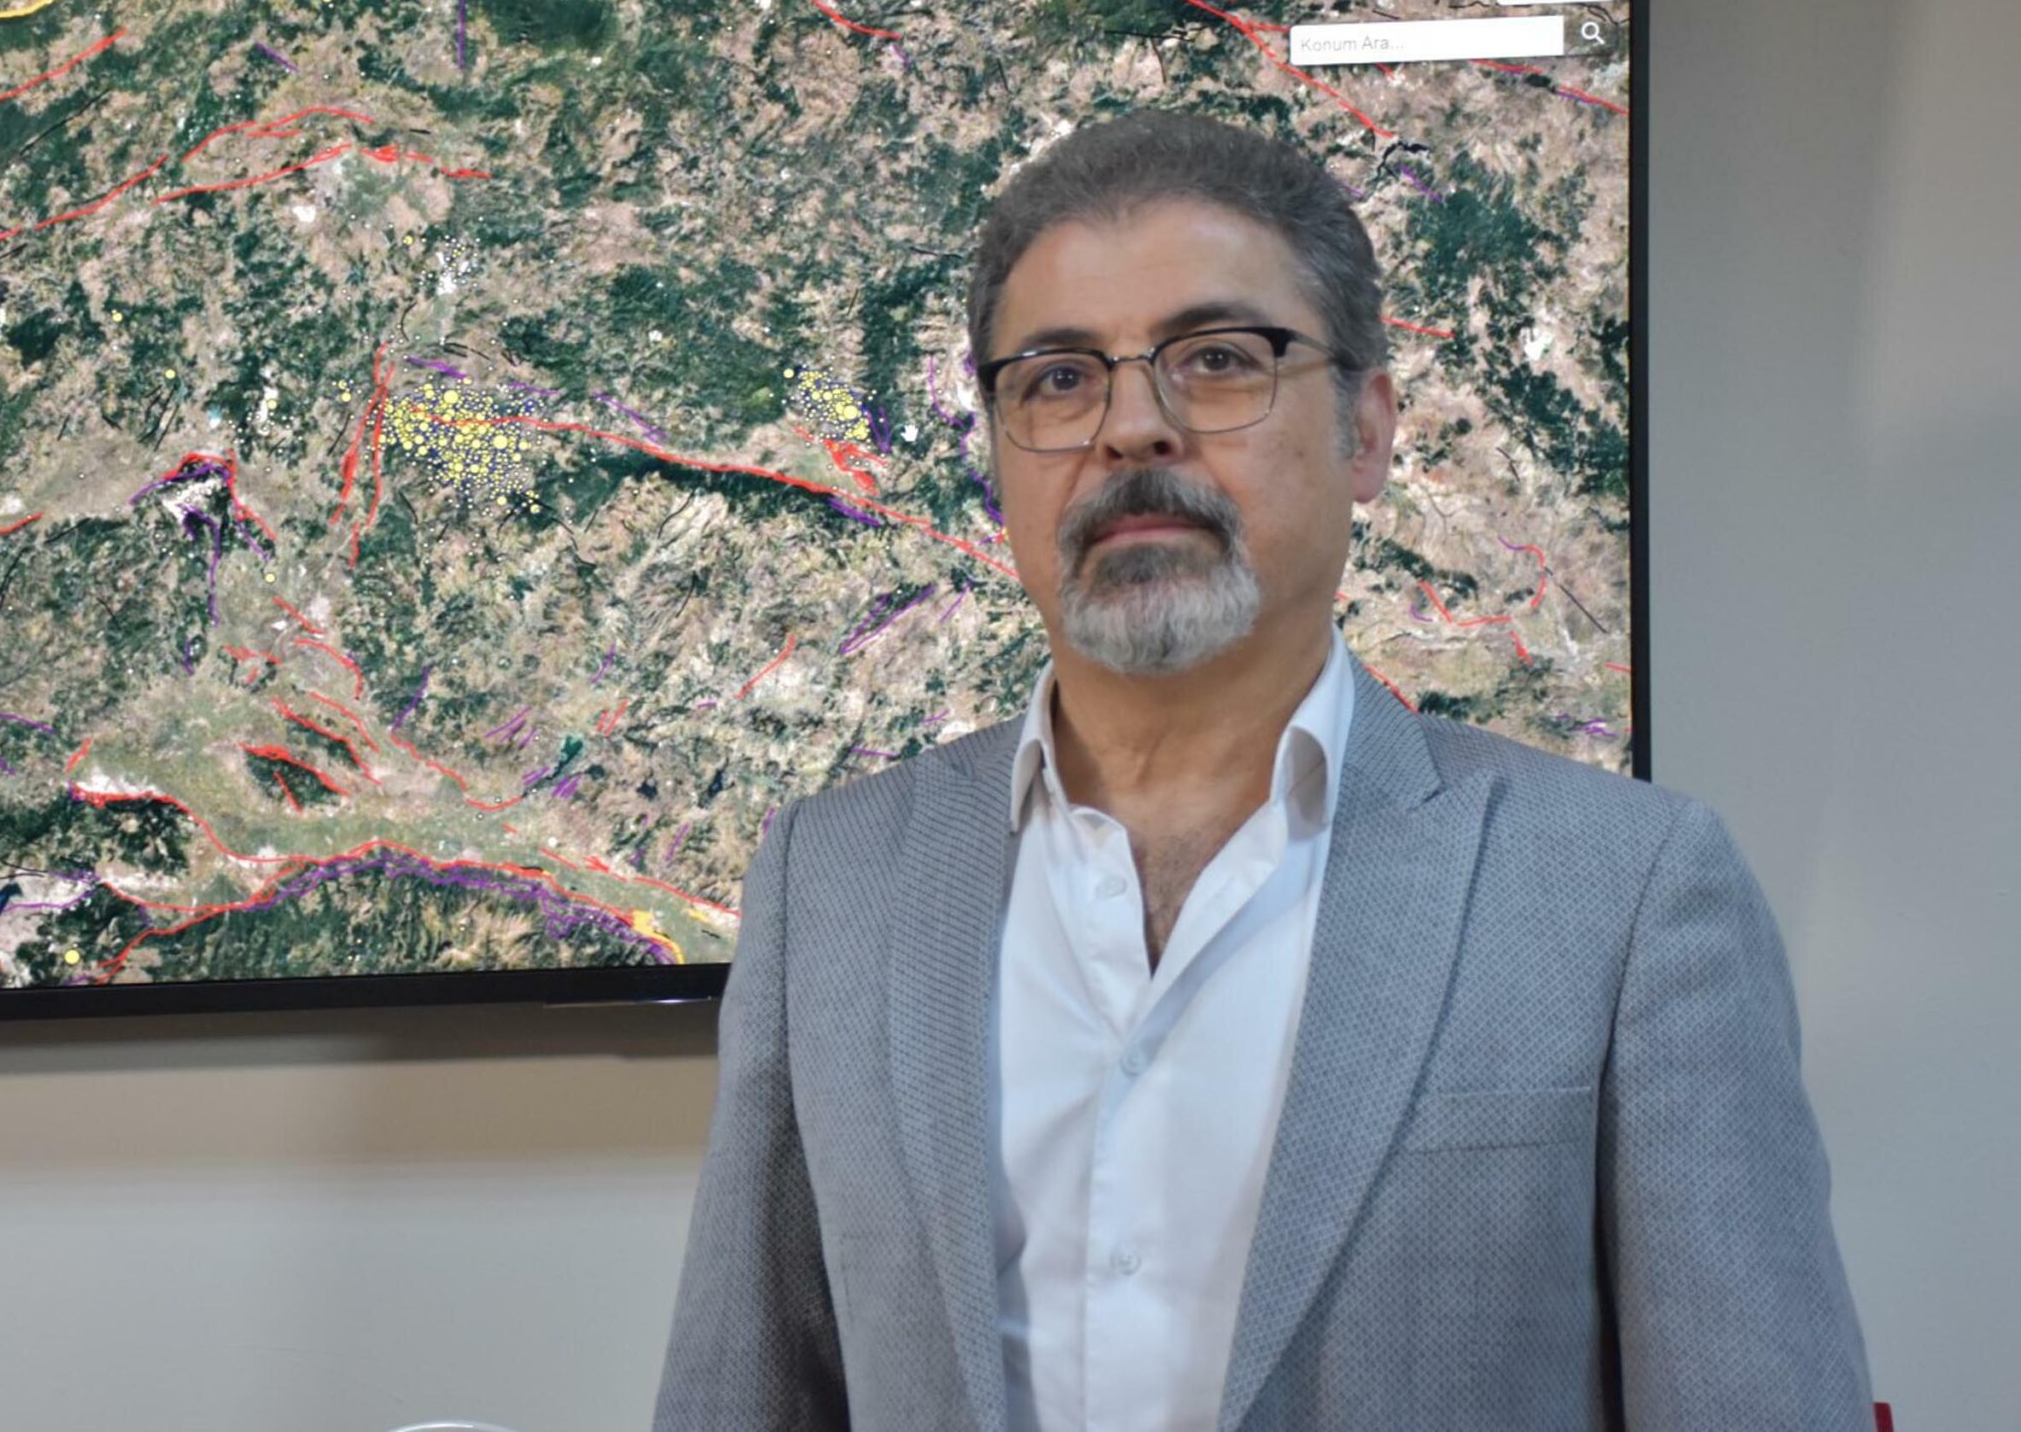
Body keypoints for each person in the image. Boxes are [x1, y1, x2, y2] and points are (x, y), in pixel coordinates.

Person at [651, 111, 1869, 1431]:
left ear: (1367, 432)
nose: (1132, 428)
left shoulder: (1627, 896)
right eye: (1059, 379)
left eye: (1220, 359)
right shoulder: (832, 884)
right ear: (998, 450)